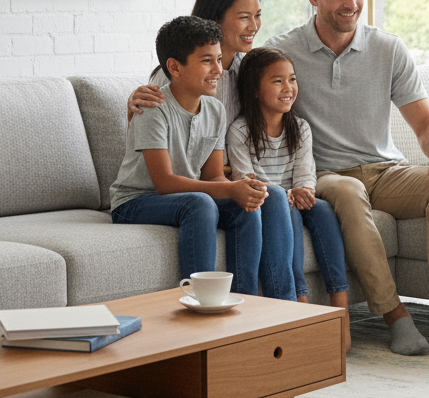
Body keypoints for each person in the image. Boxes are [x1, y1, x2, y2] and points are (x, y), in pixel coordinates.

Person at [267, 0, 429, 364]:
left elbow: (425, 123)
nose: (352, 4)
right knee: (347, 191)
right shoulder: (283, 50)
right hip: (325, 174)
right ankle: (395, 316)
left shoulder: (387, 48)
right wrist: (156, 88)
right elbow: (224, 70)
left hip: (386, 170)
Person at [110, 16, 296, 300]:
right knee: (200, 203)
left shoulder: (215, 109)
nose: (218, 70)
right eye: (207, 61)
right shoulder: (152, 106)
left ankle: (252, 305)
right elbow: (164, 183)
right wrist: (230, 189)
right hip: (135, 202)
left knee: (268, 197)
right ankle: (203, 303)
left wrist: (243, 188)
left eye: (219, 60)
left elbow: (213, 177)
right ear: (174, 67)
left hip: (185, 198)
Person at [228, 47, 351, 348]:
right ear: (255, 90)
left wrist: (305, 190)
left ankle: (341, 307)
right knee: (287, 208)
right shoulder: (240, 130)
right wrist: (284, 194)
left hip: (296, 196)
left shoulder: (300, 128)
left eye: (292, 79)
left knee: (322, 210)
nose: (288, 88)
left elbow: (306, 170)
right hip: (271, 201)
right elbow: (246, 179)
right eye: (277, 81)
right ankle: (301, 301)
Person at [127, 0, 263, 123]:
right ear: (215, 19)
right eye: (244, 17)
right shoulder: (174, 74)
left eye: (257, 15)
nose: (254, 26)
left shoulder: (248, 70)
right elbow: (145, 134)